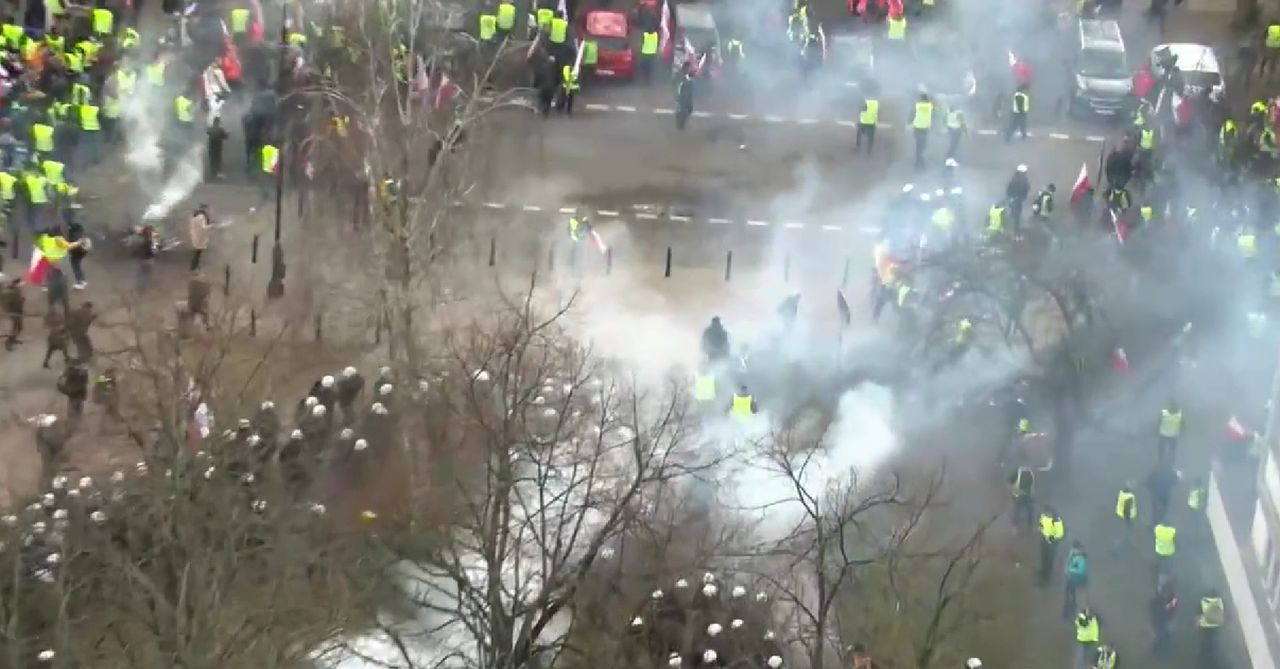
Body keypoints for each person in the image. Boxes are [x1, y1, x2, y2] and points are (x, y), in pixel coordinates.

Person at [1150, 573, 1177, 656]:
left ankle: (1157, 650)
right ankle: (1159, 650)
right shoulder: (1170, 597)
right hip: (1163, 619)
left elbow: (1153, 605)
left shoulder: (1160, 596)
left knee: (1160, 635)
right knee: (1162, 634)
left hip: (1161, 619)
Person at [1038, 505, 1065, 585]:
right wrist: (1041, 529)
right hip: (1044, 540)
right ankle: (1043, 571)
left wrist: (1051, 537)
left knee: (1049, 559)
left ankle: (1047, 577)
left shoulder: (1057, 521)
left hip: (1053, 543)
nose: (1046, 514)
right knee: (1043, 557)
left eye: (1047, 513)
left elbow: (1060, 534)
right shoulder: (1044, 516)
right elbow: (1041, 524)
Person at [1197, 589, 1225, 663]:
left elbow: (1199, 613)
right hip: (1216, 624)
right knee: (1214, 640)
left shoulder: (1204, 601)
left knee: (1205, 640)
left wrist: (1197, 623)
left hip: (1205, 625)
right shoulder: (1219, 601)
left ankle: (1203, 656)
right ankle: (1213, 655)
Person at [1063, 541, 1088, 618]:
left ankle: (1069, 612)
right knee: (1071, 593)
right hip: (1074, 578)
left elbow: (1075, 569)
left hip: (1074, 578)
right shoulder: (1078, 556)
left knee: (1069, 593)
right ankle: (1071, 608)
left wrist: (1068, 571)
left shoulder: (1078, 557)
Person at [910, 93, 934, 169]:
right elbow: (934, 114)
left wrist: (908, 123)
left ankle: (918, 160)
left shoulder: (917, 105)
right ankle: (920, 159)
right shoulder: (930, 106)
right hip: (925, 127)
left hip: (917, 126)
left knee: (918, 144)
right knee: (923, 144)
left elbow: (912, 114)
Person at [1113, 481, 1137, 553]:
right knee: (1126, 533)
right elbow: (1127, 509)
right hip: (1127, 517)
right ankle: (1116, 550)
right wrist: (1128, 518)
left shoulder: (1121, 493)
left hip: (1120, 514)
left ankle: (1127, 543)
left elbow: (1117, 500)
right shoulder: (1130, 497)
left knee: (1125, 532)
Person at [1009, 465, 1035, 530]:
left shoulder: (1029, 474)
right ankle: (1015, 527)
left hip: (1025, 495)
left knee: (1028, 511)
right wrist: (1013, 491)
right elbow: (1009, 482)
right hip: (1020, 495)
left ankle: (1028, 526)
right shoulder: (1019, 473)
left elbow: (1031, 486)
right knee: (1019, 511)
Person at [1006, 165, 1031, 231]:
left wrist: (1010, 197)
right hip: (1018, 200)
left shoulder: (1014, 179)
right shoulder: (1023, 180)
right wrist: (1021, 197)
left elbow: (1008, 190)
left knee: (1013, 215)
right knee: (1016, 216)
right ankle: (1015, 231)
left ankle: (1011, 230)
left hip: (1013, 200)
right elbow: (1026, 189)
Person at [189, 203, 212, 271]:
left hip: (196, 237)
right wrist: (212, 226)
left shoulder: (195, 216)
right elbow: (203, 228)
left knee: (197, 253)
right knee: (197, 254)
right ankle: (194, 268)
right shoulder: (201, 217)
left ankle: (195, 268)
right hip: (200, 238)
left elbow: (194, 227)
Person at [1, 277, 22, 350]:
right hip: (14, 311)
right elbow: (15, 302)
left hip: (13, 311)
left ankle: (13, 340)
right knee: (16, 327)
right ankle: (9, 343)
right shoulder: (14, 291)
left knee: (17, 327)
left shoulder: (12, 290)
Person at [206, 116, 228, 181]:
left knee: (212, 159)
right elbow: (225, 136)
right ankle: (218, 173)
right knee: (218, 159)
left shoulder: (210, 128)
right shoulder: (220, 129)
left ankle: (212, 173)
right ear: (218, 122)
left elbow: (207, 132)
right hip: (218, 147)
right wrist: (228, 134)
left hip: (211, 147)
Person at [676, 64, 695, 131]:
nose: (691, 69)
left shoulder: (690, 80)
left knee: (687, 111)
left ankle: (681, 124)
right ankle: (680, 124)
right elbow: (679, 90)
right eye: (689, 68)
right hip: (683, 98)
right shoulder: (682, 79)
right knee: (682, 111)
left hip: (687, 98)